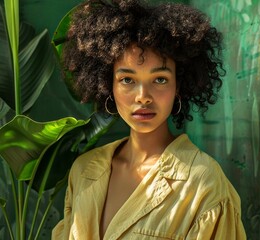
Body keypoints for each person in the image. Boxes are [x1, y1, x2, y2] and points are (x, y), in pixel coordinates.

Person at [52, 0, 247, 239]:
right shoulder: (83, 172)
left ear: (179, 84)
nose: (143, 97)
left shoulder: (204, 184)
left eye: (160, 79)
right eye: (127, 80)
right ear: (107, 84)